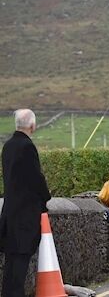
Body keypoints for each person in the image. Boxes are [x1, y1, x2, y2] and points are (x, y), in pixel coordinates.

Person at [0, 109, 51, 296]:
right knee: (20, 264)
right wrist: (46, 197)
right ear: (32, 125)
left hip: (9, 212)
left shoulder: (8, 146)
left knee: (11, 265)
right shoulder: (27, 146)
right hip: (24, 216)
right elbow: (35, 178)